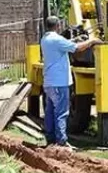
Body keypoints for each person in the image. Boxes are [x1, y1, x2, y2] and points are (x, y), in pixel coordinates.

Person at [40, 15, 101, 148]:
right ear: (57, 26)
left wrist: (75, 39)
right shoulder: (57, 40)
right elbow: (77, 48)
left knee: (50, 111)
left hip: (49, 82)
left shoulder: (45, 39)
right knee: (61, 112)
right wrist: (92, 41)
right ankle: (61, 141)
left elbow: (65, 44)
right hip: (59, 82)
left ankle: (50, 140)